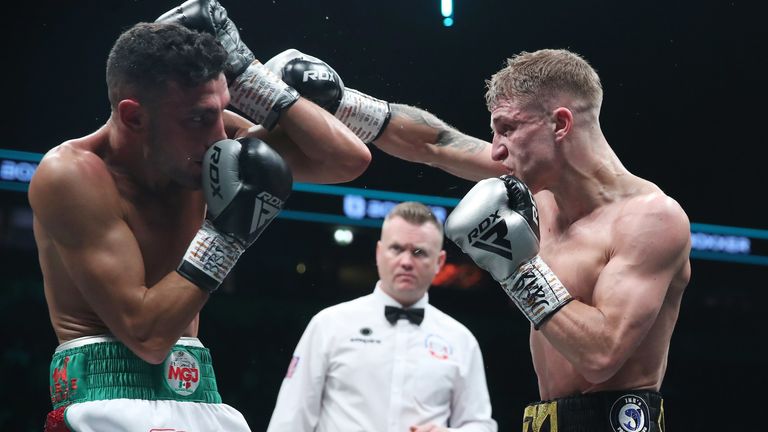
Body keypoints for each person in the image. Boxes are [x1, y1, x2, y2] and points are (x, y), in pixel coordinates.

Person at [280, 48, 691, 431]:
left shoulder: (650, 218)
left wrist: (518, 270)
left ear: (560, 124)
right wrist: (341, 102)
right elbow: (436, 143)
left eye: (507, 129)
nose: (496, 151)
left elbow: (601, 355)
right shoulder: (538, 193)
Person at [30, 9, 369, 432]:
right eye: (197, 118)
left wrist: (252, 76)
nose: (218, 137)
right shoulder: (72, 175)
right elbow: (148, 337)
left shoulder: (206, 141)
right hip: (104, 399)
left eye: (220, 111)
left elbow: (346, 159)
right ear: (134, 116)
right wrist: (227, 235)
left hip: (200, 393)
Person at [266, 201, 497, 432]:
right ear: (379, 253)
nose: (406, 262)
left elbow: (480, 424)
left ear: (439, 262)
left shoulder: (461, 340)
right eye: (397, 249)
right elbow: (290, 419)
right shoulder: (329, 325)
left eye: (419, 252)